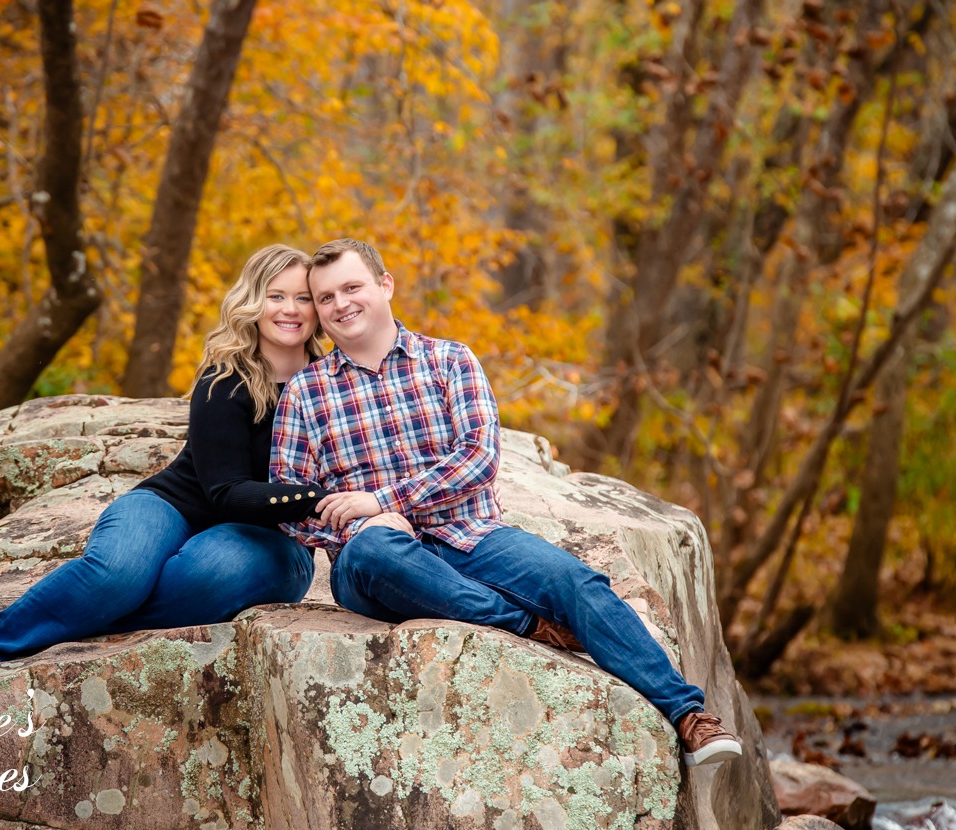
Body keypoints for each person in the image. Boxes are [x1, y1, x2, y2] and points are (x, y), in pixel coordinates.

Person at [271, 238, 743, 767]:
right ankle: (525, 625)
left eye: (352, 287)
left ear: (385, 286)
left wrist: (385, 501)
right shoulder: (305, 392)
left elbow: (479, 460)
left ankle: (688, 716)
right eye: (326, 296)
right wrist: (361, 526)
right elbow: (292, 502)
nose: (340, 304)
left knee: (574, 581)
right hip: (377, 562)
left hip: (472, 537)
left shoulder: (449, 361)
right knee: (375, 550)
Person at [0, 245, 326, 672]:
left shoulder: (333, 383)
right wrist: (320, 499)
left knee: (207, 577)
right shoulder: (225, 378)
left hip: (274, 540)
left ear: (318, 308)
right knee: (117, 575)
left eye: (303, 298)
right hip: (172, 505)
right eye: (276, 295)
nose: (291, 310)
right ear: (252, 302)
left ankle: (84, 620)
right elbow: (225, 492)